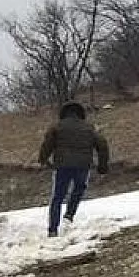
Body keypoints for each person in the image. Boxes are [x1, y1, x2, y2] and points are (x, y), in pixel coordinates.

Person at [38, 101, 110, 237]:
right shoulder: (89, 128)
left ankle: (53, 230)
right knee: (79, 188)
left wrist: (43, 160)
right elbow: (103, 145)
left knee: (58, 197)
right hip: (83, 166)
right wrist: (102, 166)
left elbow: (47, 145)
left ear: (63, 113)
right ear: (80, 113)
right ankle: (69, 215)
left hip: (62, 166)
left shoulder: (57, 127)